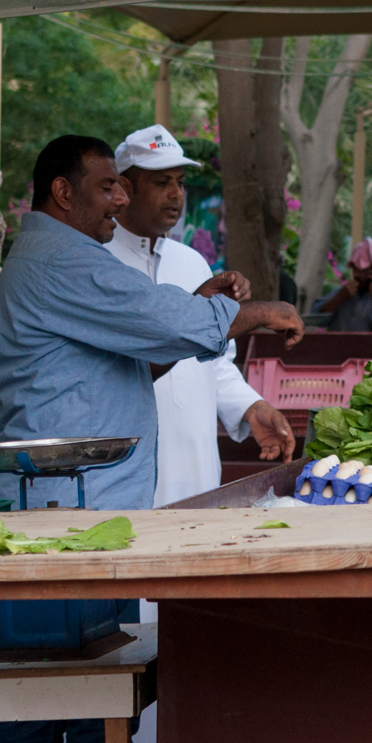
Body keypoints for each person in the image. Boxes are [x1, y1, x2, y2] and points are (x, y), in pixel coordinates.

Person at [0, 136, 303, 743]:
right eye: (109, 186)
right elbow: (168, 325)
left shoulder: (72, 254)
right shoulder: (63, 258)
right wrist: (258, 311)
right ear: (62, 191)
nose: (120, 198)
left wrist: (204, 315)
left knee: (93, 699)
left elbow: (142, 359)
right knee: (46, 701)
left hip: (91, 513)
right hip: (63, 518)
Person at [105, 125, 295, 507]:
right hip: (124, 478)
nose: (176, 194)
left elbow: (216, 361)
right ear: (124, 188)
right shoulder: (100, 263)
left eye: (180, 182)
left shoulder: (192, 262)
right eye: (162, 182)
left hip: (197, 471)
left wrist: (250, 407)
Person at [320, 238, 372, 332]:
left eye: (362, 270)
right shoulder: (343, 293)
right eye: (355, 269)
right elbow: (318, 316)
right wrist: (339, 298)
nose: (356, 275)